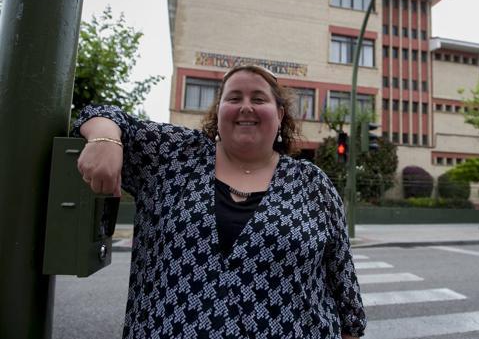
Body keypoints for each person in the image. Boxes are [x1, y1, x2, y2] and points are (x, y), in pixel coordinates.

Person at [74, 64, 366, 339]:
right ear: (219, 111)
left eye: (259, 98)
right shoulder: (174, 155)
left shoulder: (313, 183)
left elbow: (343, 285)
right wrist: (105, 140)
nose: (246, 106)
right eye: (234, 97)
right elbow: (97, 114)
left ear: (280, 114)